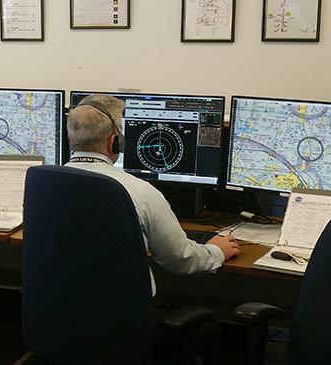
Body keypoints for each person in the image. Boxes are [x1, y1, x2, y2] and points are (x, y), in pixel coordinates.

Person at [66, 94, 240, 296]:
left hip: (55, 311)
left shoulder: (44, 185)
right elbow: (181, 261)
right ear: (115, 142)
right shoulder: (141, 192)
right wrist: (217, 251)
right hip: (121, 314)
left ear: (71, 139)